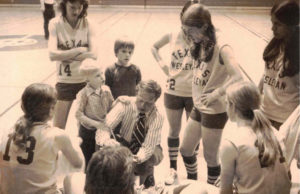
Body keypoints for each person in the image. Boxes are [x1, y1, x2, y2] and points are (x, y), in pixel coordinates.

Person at [178, 3, 243, 184]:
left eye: (190, 31)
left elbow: (238, 76)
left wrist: (217, 93)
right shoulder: (200, 42)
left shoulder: (222, 46)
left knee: (210, 158)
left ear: (204, 26)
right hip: (199, 105)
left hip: (214, 109)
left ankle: (210, 188)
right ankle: (192, 182)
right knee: (186, 149)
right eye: (185, 31)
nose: (187, 35)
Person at [0, 83, 83, 194]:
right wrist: (75, 145)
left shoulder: (8, 131)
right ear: (51, 110)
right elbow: (78, 164)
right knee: (76, 177)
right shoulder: (57, 135)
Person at [151, 0, 198, 185]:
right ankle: (173, 169)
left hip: (194, 93)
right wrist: (163, 65)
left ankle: (192, 173)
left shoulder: (202, 38)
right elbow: (153, 47)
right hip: (173, 91)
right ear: (181, 18)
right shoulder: (172, 34)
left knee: (193, 136)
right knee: (174, 131)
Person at [220, 81, 291, 194]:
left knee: (197, 188)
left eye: (226, 103)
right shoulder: (275, 133)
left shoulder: (231, 142)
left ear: (233, 106)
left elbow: (224, 192)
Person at [95, 80, 164, 188]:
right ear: (137, 93)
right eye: (140, 100)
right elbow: (104, 127)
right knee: (104, 148)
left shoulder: (158, 115)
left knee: (150, 156)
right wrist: (107, 141)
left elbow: (149, 146)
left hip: (148, 147)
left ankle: (146, 177)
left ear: (155, 100)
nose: (142, 105)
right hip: (126, 143)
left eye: (148, 103)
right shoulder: (125, 104)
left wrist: (137, 159)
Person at [48, 0, 98, 129]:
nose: (76, 11)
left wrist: (64, 54)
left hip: (86, 81)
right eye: (72, 7)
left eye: (79, 7)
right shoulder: (55, 23)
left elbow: (94, 55)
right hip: (65, 81)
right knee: (57, 129)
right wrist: (78, 50)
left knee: (86, 129)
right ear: (64, 5)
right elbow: (52, 55)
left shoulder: (89, 24)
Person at [259, 0, 299, 130]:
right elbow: (266, 74)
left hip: (286, 120)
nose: (272, 28)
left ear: (291, 25)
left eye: (278, 24)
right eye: (272, 23)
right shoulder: (275, 46)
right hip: (265, 114)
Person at [75, 63, 114, 168]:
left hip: (103, 129)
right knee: (89, 160)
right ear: (87, 80)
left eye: (102, 73)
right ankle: (88, 180)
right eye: (97, 75)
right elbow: (78, 114)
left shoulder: (106, 90)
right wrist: (96, 124)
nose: (102, 77)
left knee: (102, 159)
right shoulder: (83, 94)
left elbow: (111, 106)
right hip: (88, 131)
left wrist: (119, 101)